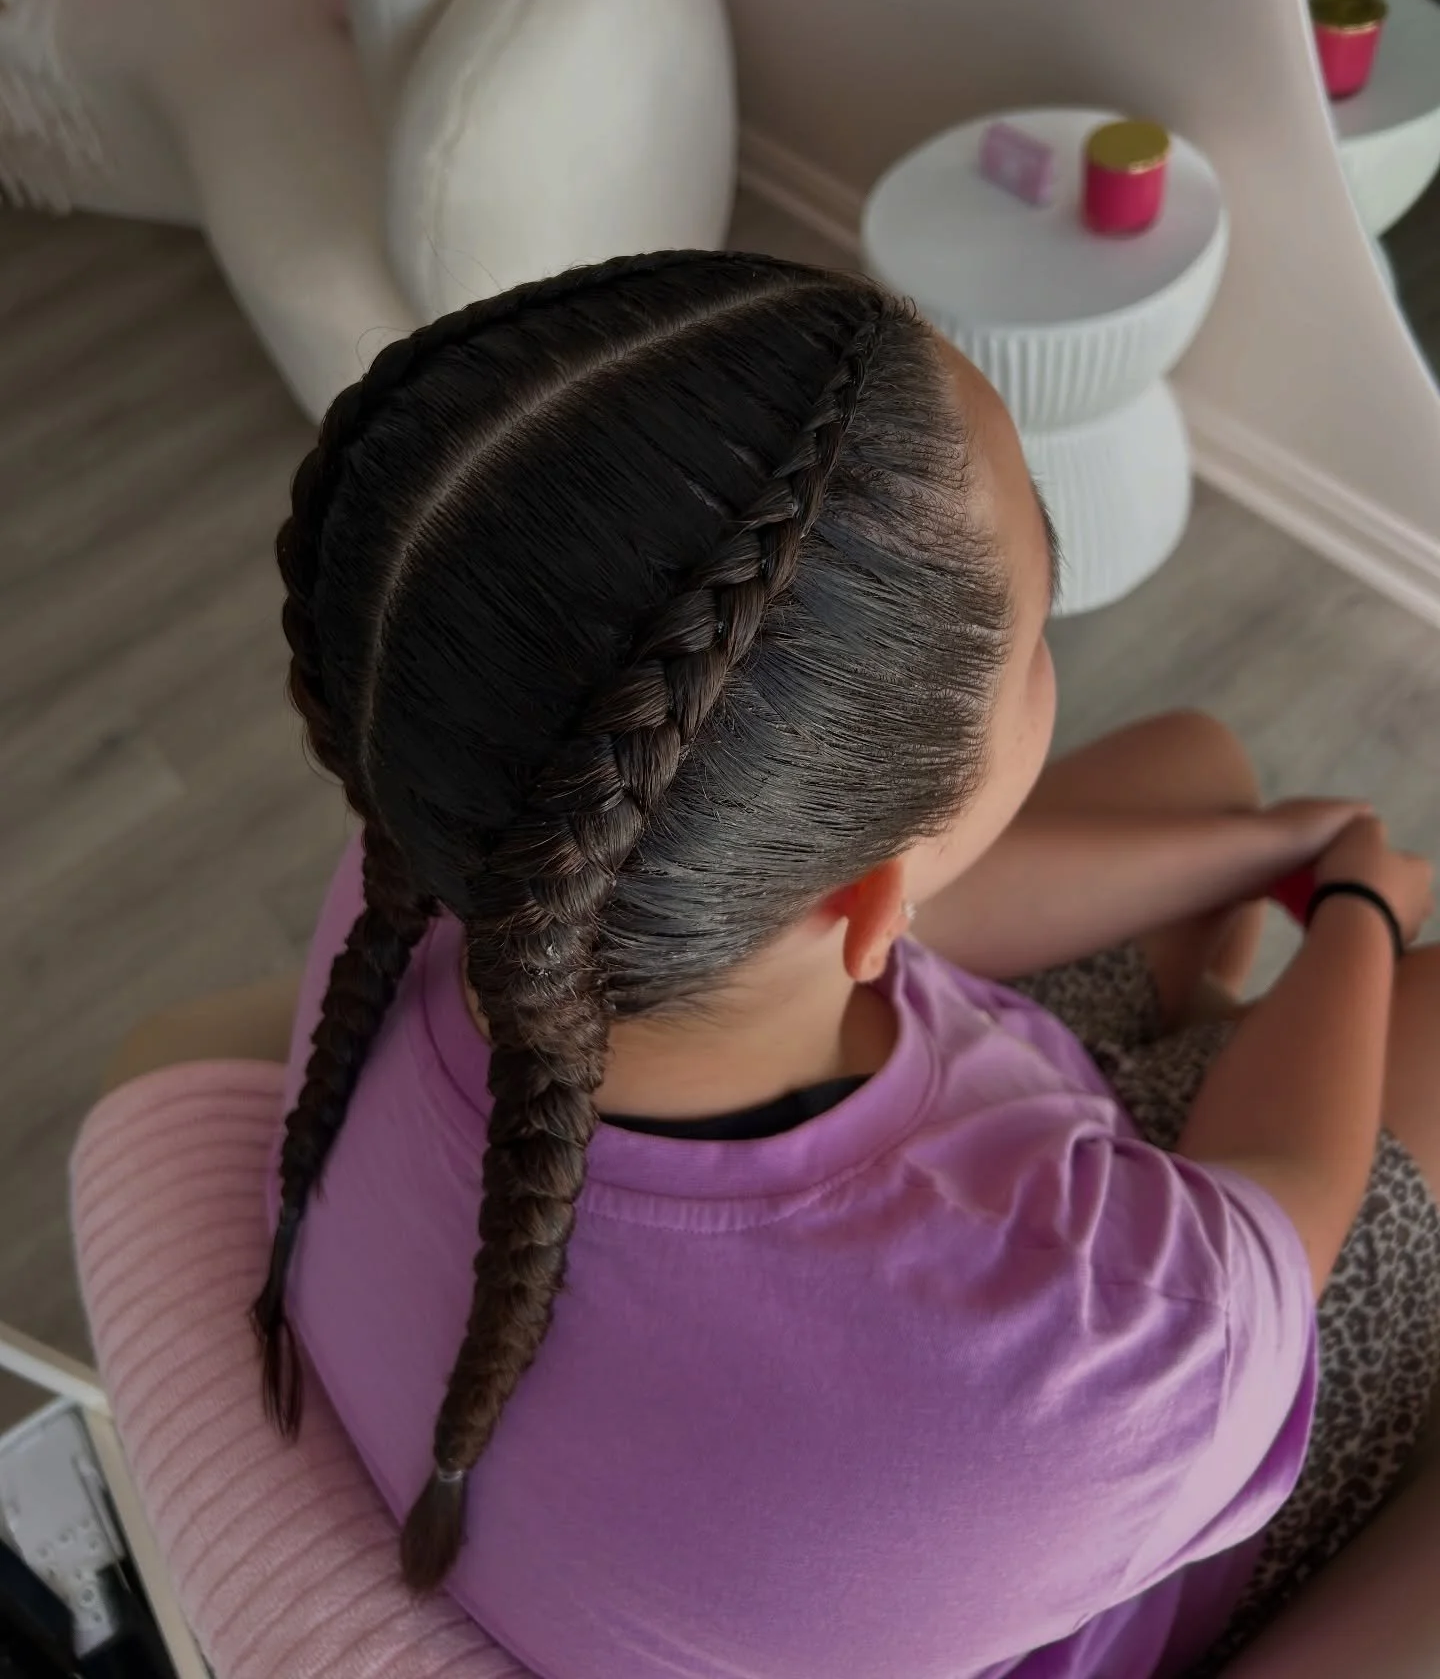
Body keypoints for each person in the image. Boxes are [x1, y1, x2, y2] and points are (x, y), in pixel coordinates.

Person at [111, 251, 1437, 1679]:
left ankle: (1206, 932)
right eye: (1037, 635)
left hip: (884, 1248)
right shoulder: (1085, 1365)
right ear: (872, 901)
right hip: (1066, 1487)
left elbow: (901, 920)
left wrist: (1257, 849)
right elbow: (1283, 1209)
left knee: (1201, 769)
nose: (1049, 653)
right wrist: (1359, 904)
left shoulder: (443, 879)